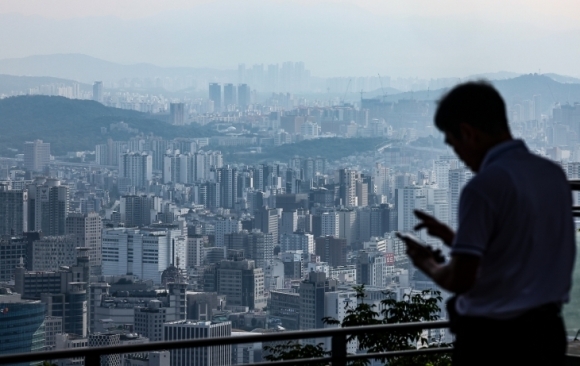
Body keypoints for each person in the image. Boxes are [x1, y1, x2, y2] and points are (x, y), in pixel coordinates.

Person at [401, 81, 576, 365]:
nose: (457, 154)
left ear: (468, 133)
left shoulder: (484, 187)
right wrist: (451, 237)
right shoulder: (552, 175)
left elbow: (461, 279)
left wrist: (427, 264)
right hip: (548, 334)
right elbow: (518, 251)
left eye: (454, 143)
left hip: (493, 341)